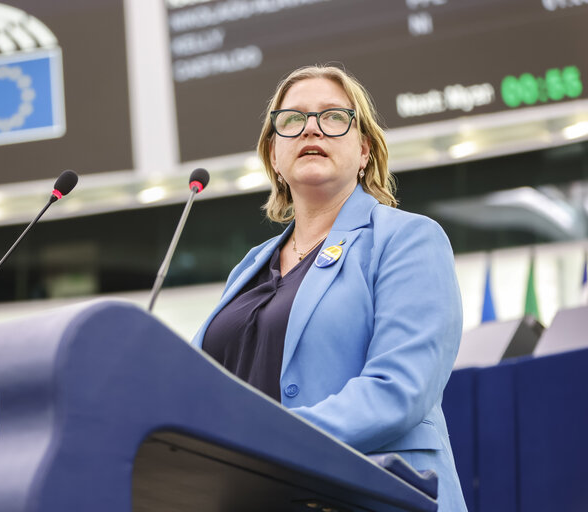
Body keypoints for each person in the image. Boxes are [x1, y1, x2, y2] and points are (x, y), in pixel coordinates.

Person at [191, 65, 467, 511]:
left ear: (364, 150)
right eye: (292, 119)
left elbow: (399, 389)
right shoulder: (248, 267)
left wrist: (267, 440)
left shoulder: (408, 238)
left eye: (334, 117)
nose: (312, 128)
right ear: (274, 156)